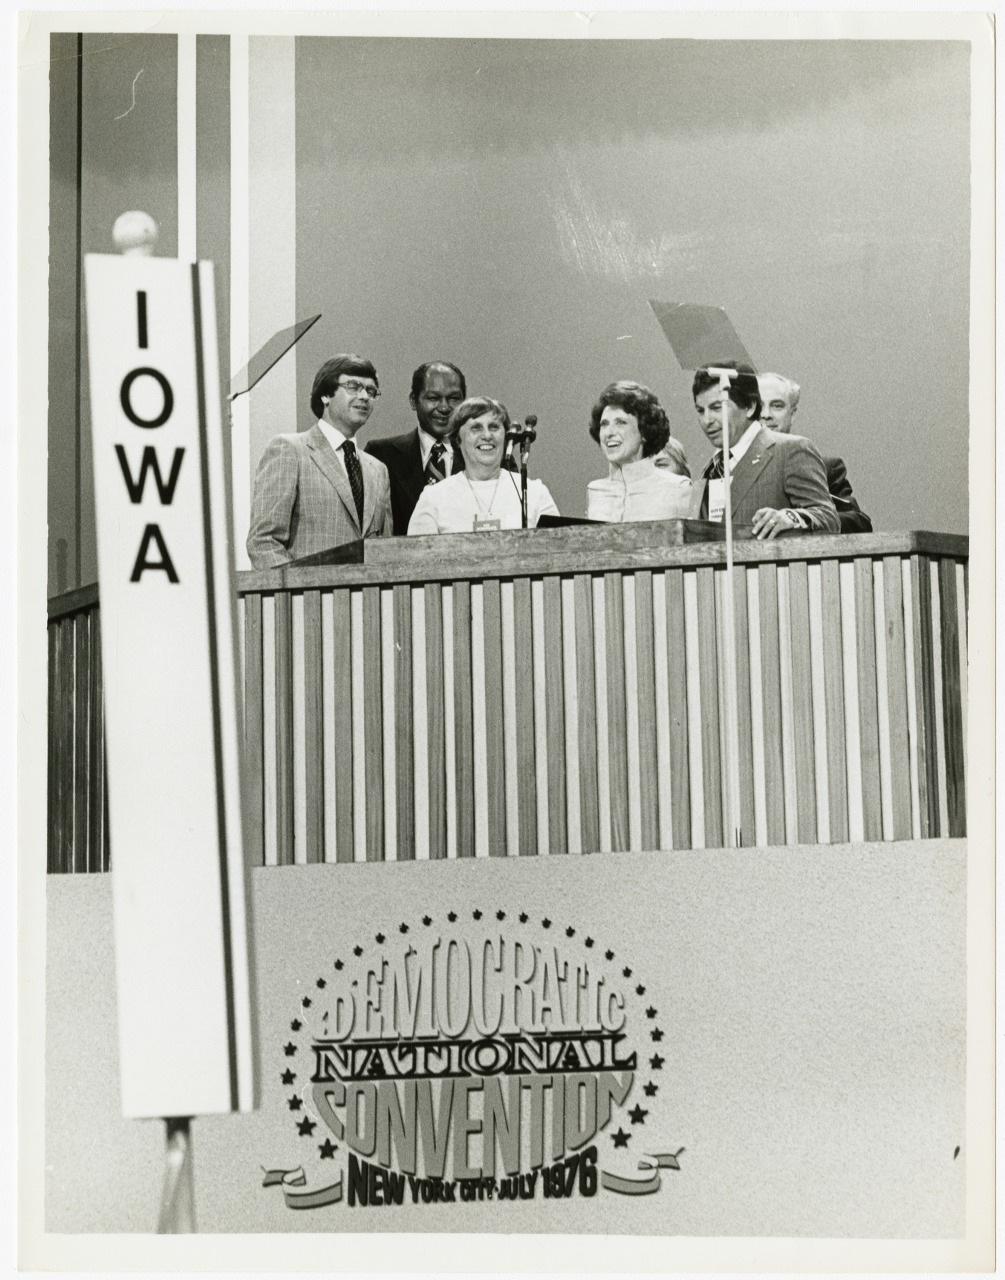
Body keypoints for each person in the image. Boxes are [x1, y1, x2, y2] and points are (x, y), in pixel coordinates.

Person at [246, 354, 393, 567]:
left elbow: (385, 551)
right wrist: (299, 597)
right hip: (307, 598)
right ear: (325, 395)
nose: (364, 396)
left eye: (371, 391)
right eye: (353, 386)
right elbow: (264, 542)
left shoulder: (378, 470)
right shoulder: (289, 450)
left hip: (368, 598)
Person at [691, 361, 839, 539]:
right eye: (700, 410)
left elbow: (829, 519)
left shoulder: (790, 450)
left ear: (750, 406)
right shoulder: (711, 469)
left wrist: (790, 517)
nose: (707, 420)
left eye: (716, 408)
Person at [407, 396, 558, 534]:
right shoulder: (434, 498)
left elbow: (560, 552)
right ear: (458, 440)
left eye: (494, 427)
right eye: (476, 428)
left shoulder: (534, 493)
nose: (487, 435)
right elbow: (416, 559)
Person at [758, 371, 872, 533]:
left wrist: (798, 518)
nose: (766, 415)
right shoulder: (723, 468)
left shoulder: (823, 467)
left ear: (793, 414)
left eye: (777, 406)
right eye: (759, 406)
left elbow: (859, 522)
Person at [365, 361, 467, 535]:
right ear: (414, 400)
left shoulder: (484, 457)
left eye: (453, 399)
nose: (444, 407)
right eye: (433, 398)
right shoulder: (381, 455)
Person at [586, 381, 693, 522]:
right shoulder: (594, 491)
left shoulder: (679, 489)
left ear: (644, 432)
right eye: (604, 424)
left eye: (621, 422)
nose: (609, 433)